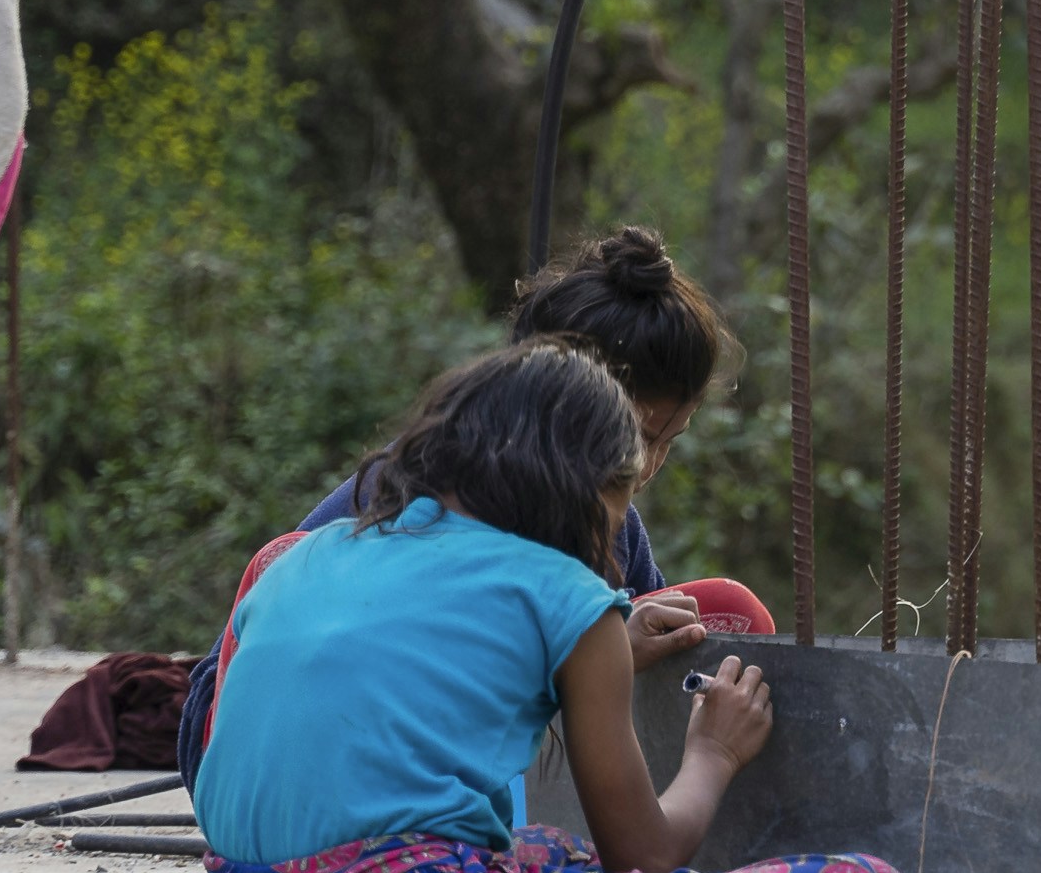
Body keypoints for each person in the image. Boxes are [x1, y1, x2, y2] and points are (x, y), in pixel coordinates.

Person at [178, 340, 913, 873]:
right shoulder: (564, 594)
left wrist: (602, 654)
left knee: (547, 855)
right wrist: (713, 754)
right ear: (579, 485)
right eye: (621, 499)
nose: (620, 529)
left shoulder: (301, 557)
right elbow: (646, 855)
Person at [172, 225, 736, 781]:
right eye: (637, 436)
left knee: (723, 612)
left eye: (669, 441)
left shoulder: (619, 527)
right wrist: (588, 659)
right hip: (281, 741)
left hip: (464, 756)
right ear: (550, 401)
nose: (648, 465)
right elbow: (401, 660)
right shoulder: (429, 496)